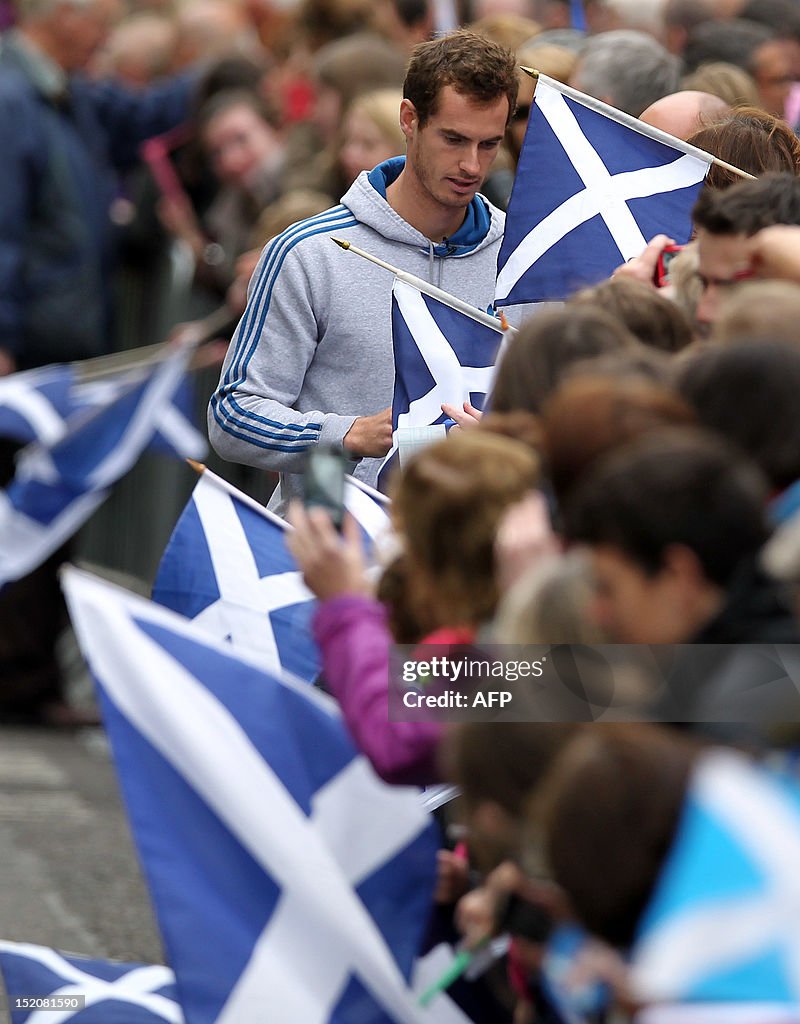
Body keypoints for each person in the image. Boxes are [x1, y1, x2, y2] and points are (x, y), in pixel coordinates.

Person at [209, 30, 521, 513]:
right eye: (453, 139)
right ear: (409, 120)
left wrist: (504, 444)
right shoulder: (310, 252)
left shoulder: (518, 259)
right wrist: (346, 434)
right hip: (332, 541)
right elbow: (232, 413)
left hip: (466, 549)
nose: (470, 164)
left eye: (488, 145)